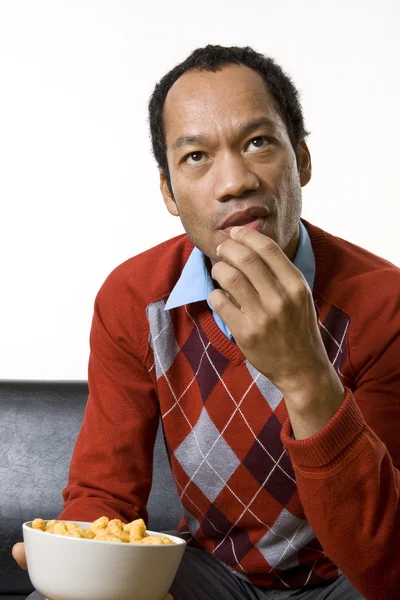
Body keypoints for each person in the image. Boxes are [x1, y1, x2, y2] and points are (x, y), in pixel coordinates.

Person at [13, 45, 400, 600]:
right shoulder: (134, 300)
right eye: (196, 156)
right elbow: (105, 495)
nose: (234, 182)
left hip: (349, 578)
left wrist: (304, 375)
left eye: (258, 143)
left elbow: (385, 558)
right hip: (214, 578)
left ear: (303, 161)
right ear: (169, 192)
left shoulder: (384, 303)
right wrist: (84, 562)